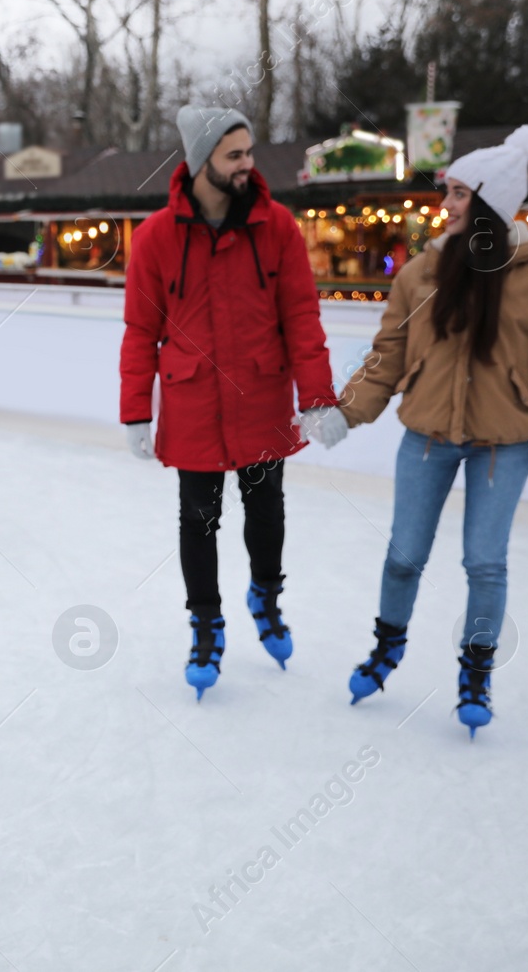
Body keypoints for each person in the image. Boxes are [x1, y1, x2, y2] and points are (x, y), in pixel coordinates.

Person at [332, 124, 528, 737]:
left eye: (455, 193)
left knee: (484, 563)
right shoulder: (422, 273)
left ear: (489, 201)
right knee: (403, 557)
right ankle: (387, 647)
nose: (443, 205)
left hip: (501, 446)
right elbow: (388, 355)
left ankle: (476, 673)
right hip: (425, 437)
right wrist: (346, 411)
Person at [119, 105, 340, 700]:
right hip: (193, 402)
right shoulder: (156, 239)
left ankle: (265, 596)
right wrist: (136, 410)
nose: (247, 165)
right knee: (200, 518)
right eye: (234, 154)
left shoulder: (278, 228)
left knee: (266, 511)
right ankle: (206, 624)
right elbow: (141, 331)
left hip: (262, 395)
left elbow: (301, 316)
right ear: (201, 161)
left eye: (249, 153)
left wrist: (317, 398)